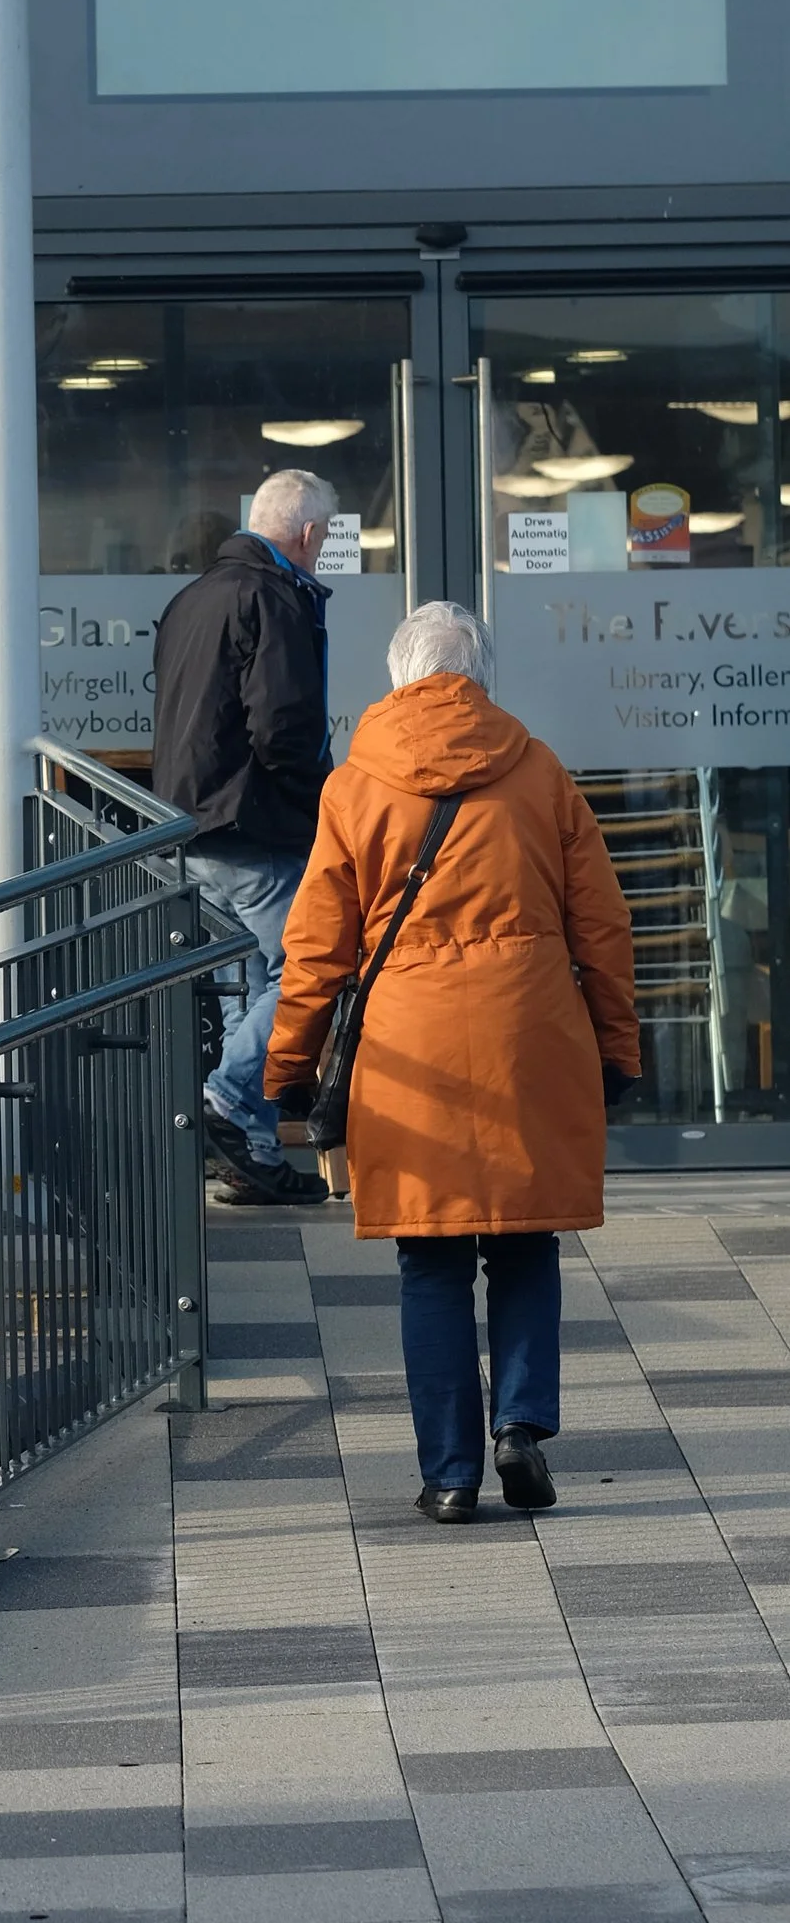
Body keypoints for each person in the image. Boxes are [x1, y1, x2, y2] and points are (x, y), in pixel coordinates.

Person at [263, 600, 639, 1524]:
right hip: (530, 1036)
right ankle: (520, 1422)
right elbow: (603, 926)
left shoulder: (354, 786)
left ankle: (449, 1474)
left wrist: (289, 1069)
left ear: (398, 677)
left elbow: (315, 947)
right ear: (476, 677)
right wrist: (617, 1049)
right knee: (524, 1240)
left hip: (409, 1051)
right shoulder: (541, 772)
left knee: (430, 1264)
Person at [148, 466, 340, 1207]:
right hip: (256, 824)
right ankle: (228, 1098)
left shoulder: (191, 598)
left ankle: (252, 1153)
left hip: (190, 824)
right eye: (324, 538)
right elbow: (283, 726)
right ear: (308, 532)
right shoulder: (274, 596)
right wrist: (320, 800)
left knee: (246, 985)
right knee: (308, 969)